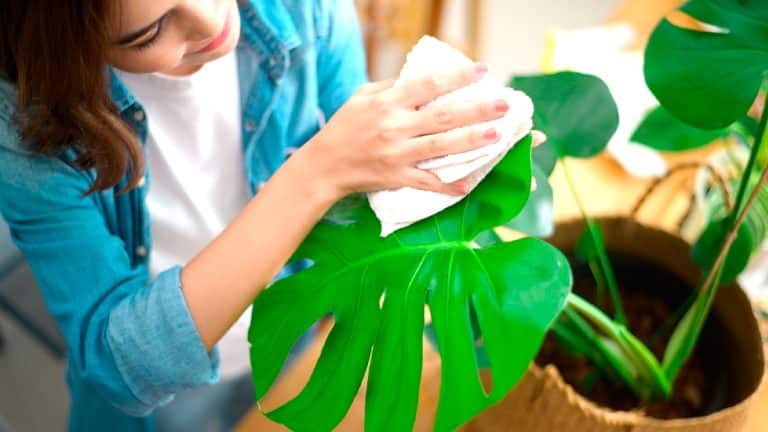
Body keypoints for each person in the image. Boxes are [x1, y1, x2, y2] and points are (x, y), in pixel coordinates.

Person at [0, 0, 522, 430]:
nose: (212, 22)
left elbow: (361, 201)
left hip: (294, 341)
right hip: (158, 409)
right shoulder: (27, 127)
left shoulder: (299, 10)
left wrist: (447, 153)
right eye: (149, 33)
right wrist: (315, 174)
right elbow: (118, 364)